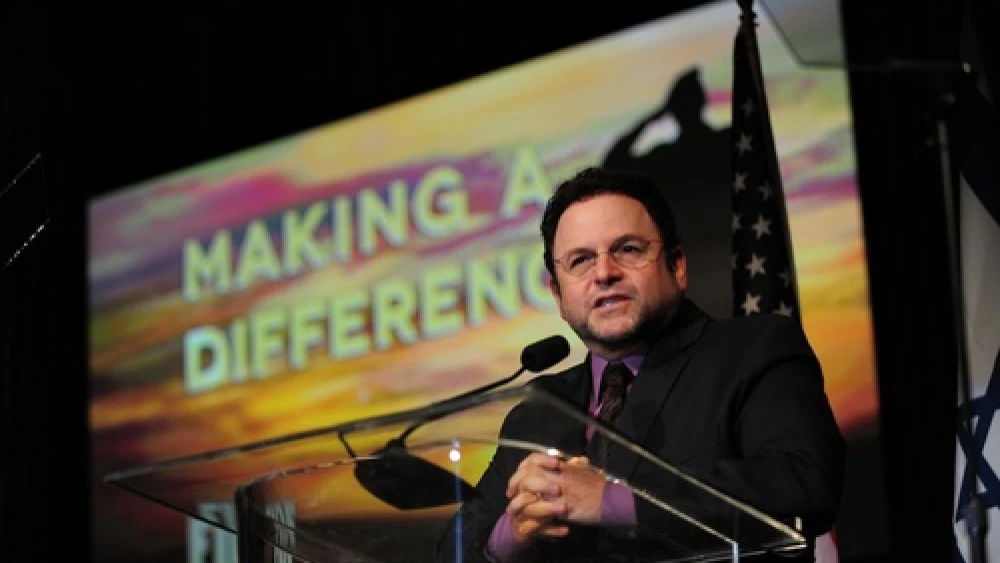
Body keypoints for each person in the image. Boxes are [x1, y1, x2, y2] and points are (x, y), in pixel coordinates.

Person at [436, 166, 845, 562]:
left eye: (627, 249)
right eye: (580, 260)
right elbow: (454, 548)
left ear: (677, 266)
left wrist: (611, 500)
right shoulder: (538, 414)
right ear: (558, 295)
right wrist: (512, 535)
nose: (604, 273)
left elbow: (803, 484)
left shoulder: (750, 351)